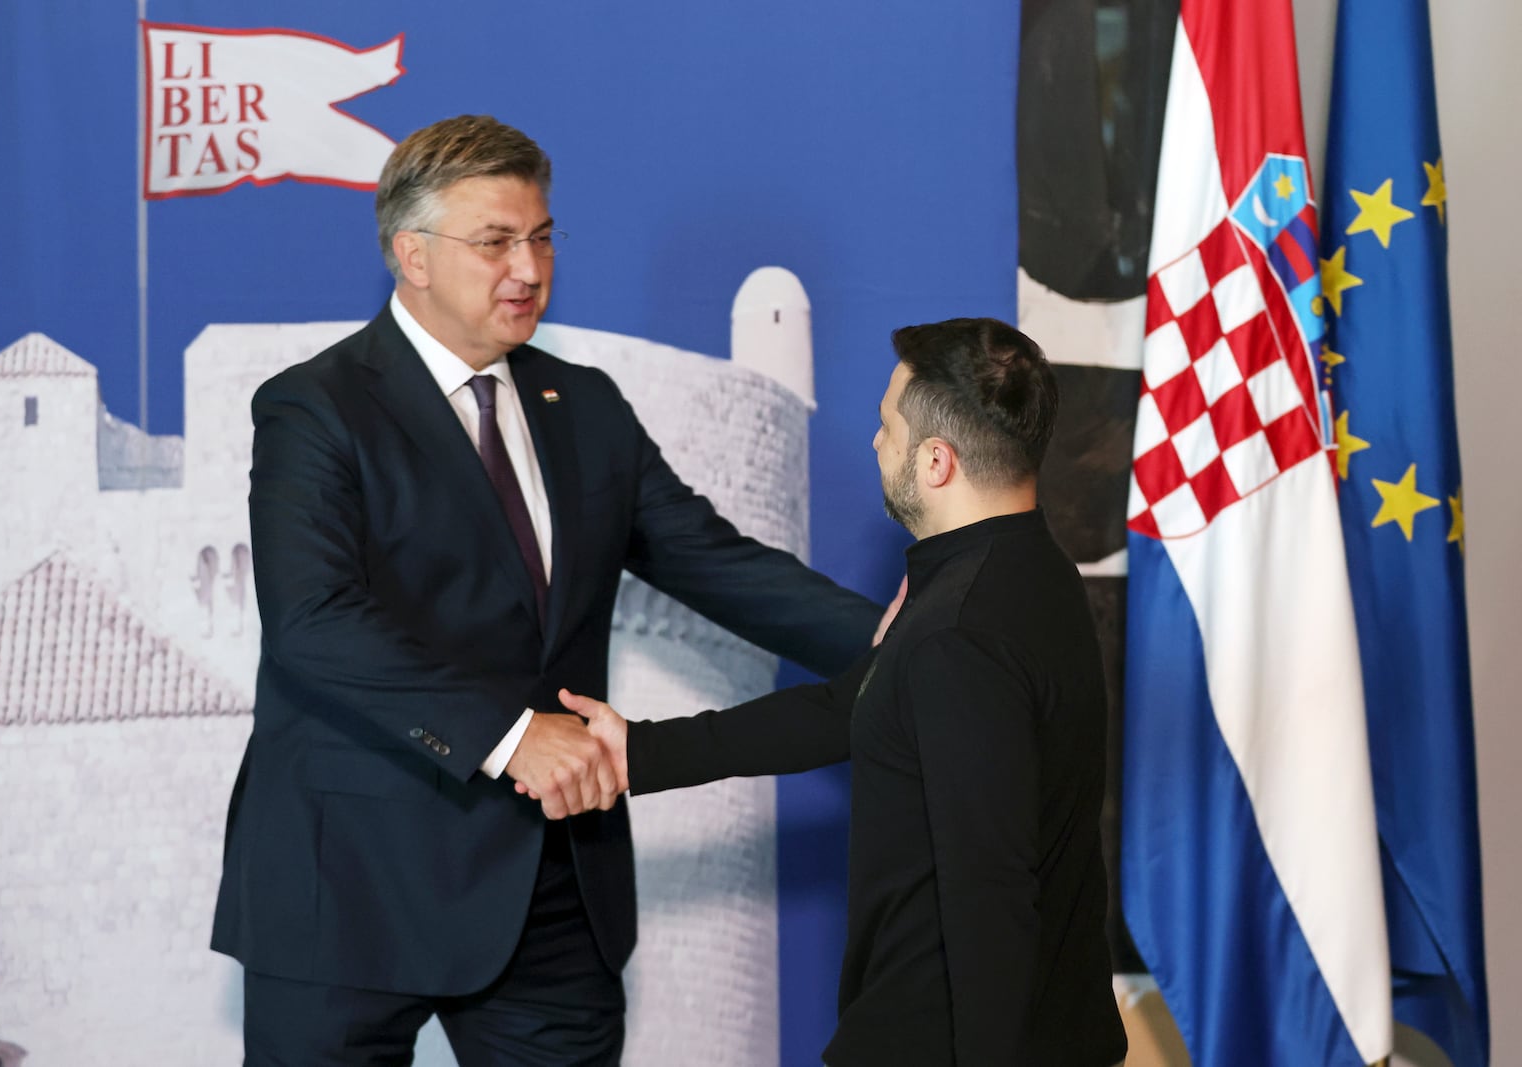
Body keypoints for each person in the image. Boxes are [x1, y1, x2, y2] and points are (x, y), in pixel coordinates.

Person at [209, 114, 883, 1066]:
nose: (527, 267)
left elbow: (716, 561)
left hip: (551, 887)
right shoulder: (314, 408)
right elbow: (313, 625)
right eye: (494, 241)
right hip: (349, 887)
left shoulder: (588, 405)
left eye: (542, 235)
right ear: (412, 255)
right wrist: (512, 733)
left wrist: (915, 643)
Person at [565, 318, 1129, 1065]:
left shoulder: (956, 632)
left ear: (936, 462)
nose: (874, 442)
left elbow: (991, 894)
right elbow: (844, 707)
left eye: (886, 424)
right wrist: (638, 751)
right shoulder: (1024, 571)